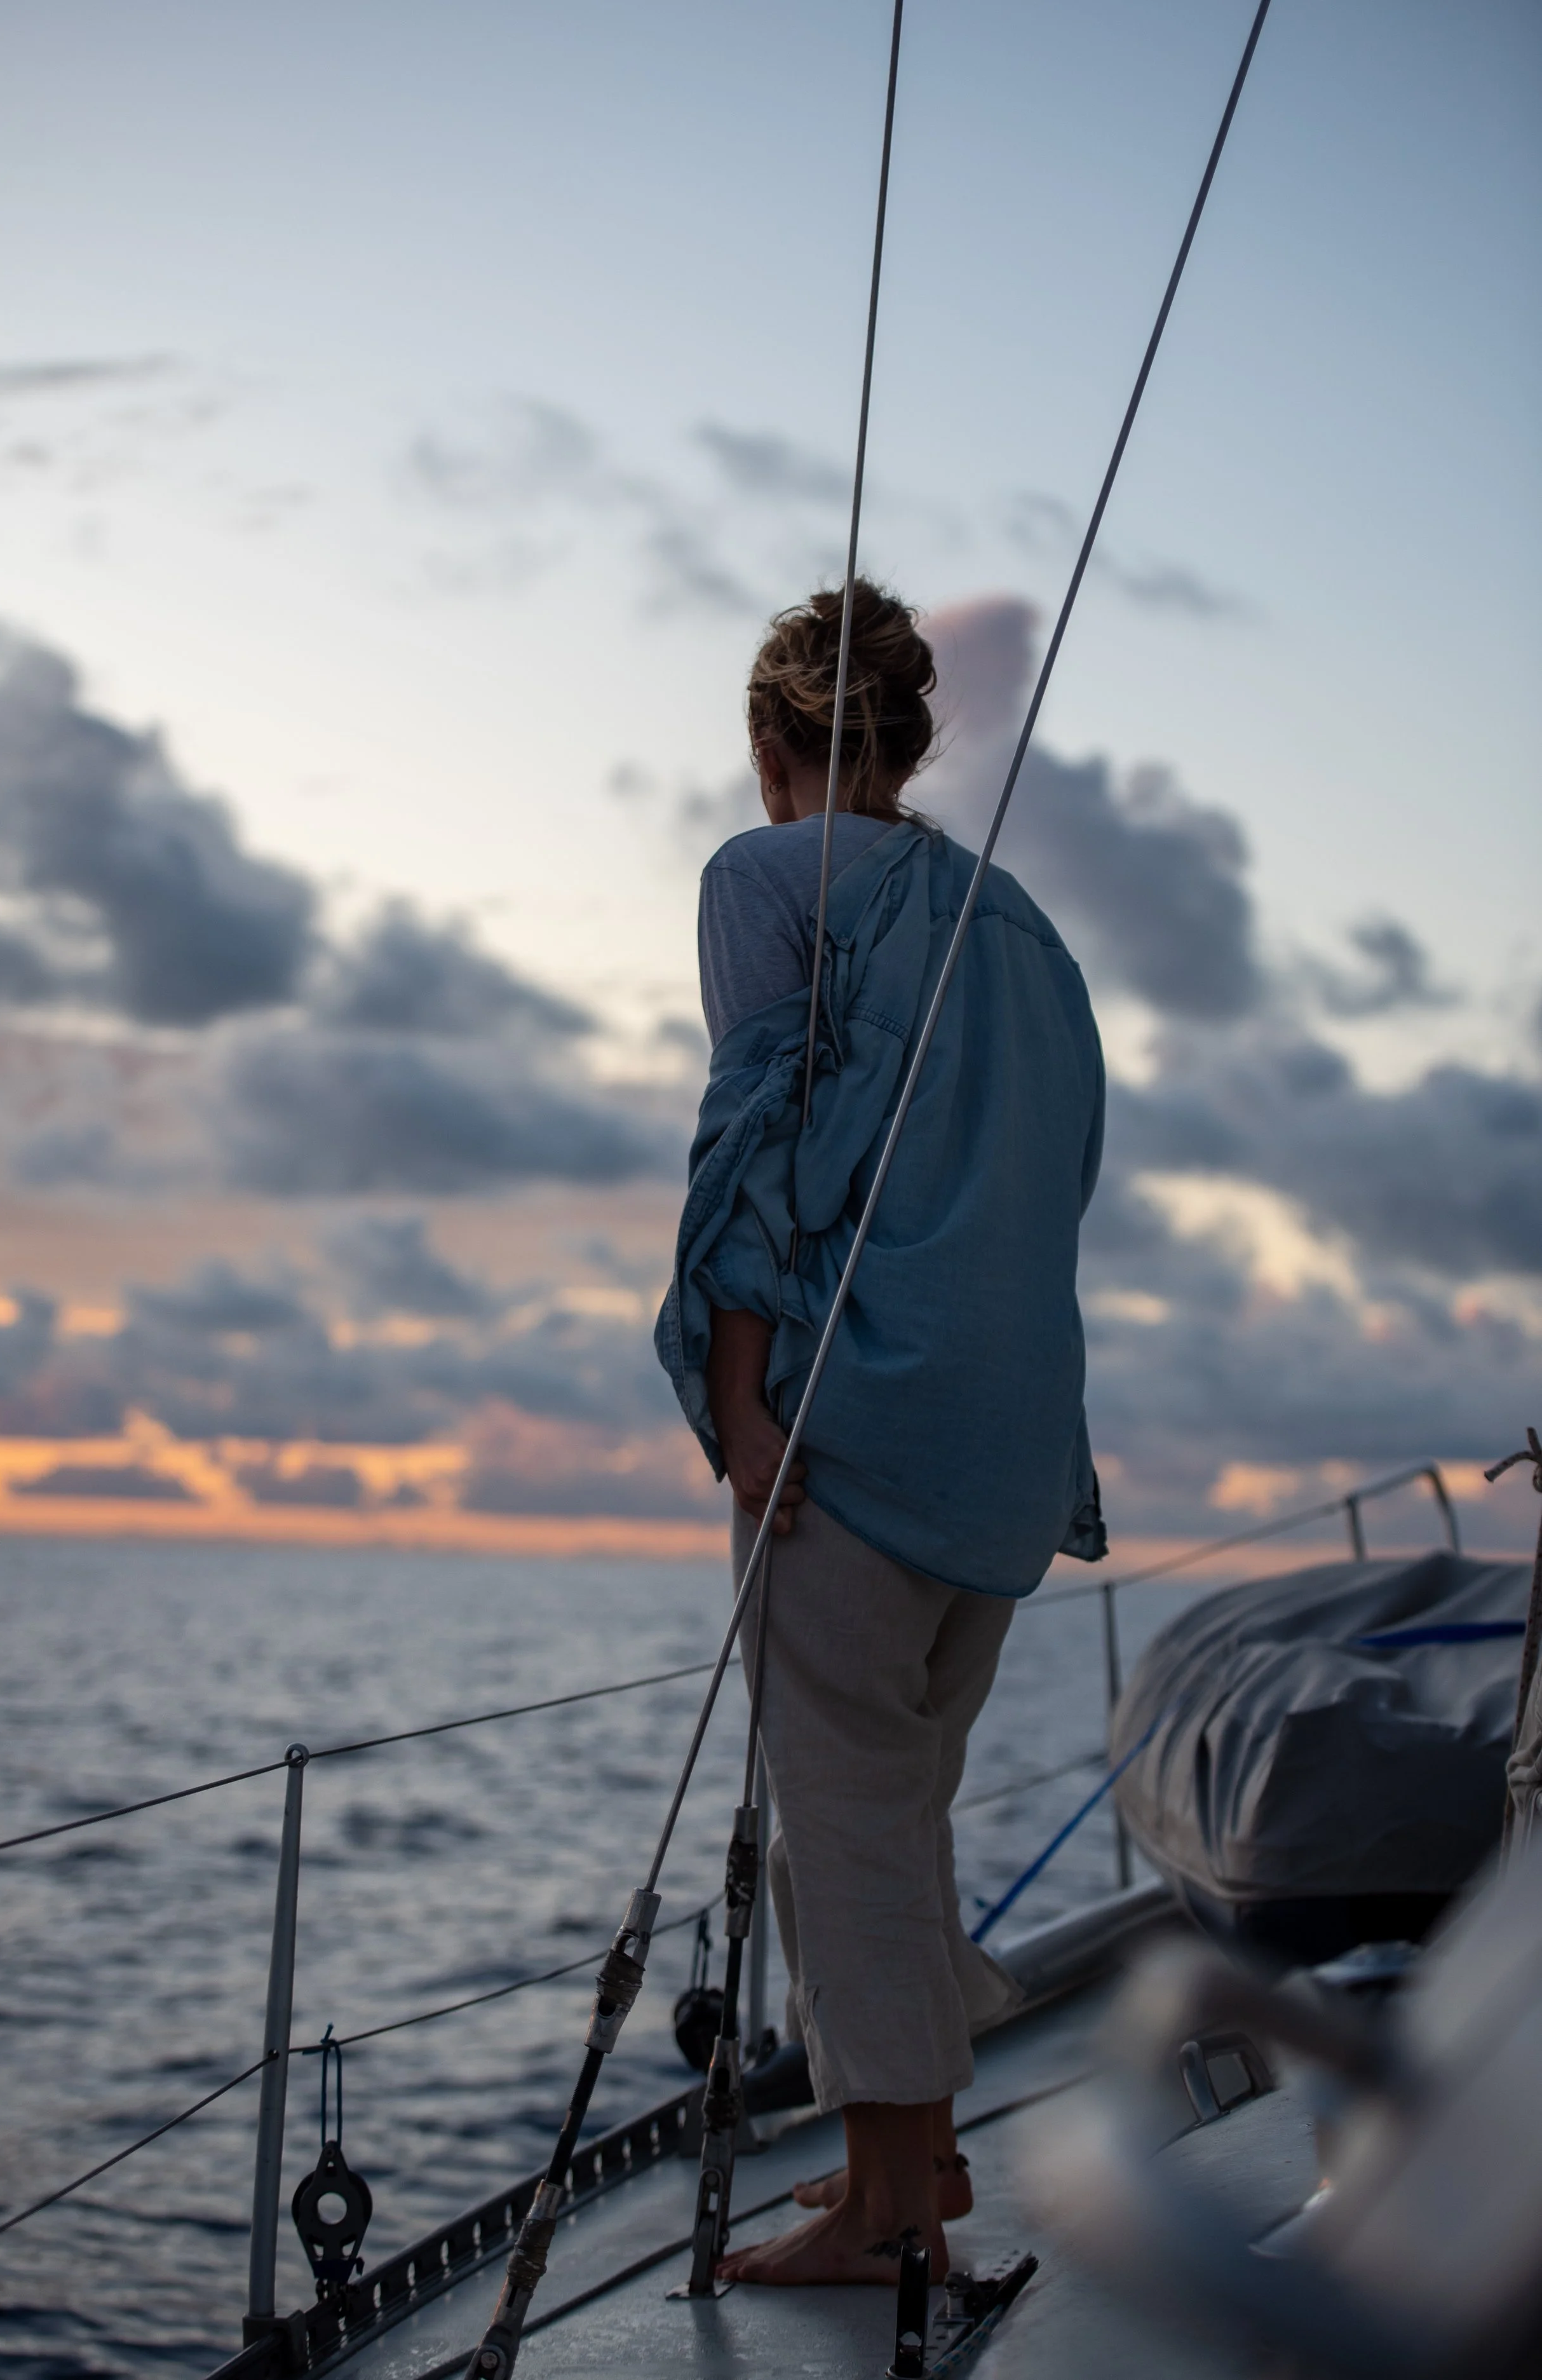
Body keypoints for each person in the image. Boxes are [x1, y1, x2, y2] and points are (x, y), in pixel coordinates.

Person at [655, 580, 1106, 2287]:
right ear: (908, 741)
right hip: (1010, 1444)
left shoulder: (764, 880)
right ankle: (909, 2168)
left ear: (773, 744)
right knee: (902, 1802)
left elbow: (754, 1149)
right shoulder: (1023, 927)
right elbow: (1057, 1184)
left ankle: (890, 2214)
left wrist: (743, 1405)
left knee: (841, 1813)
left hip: (861, 1419)